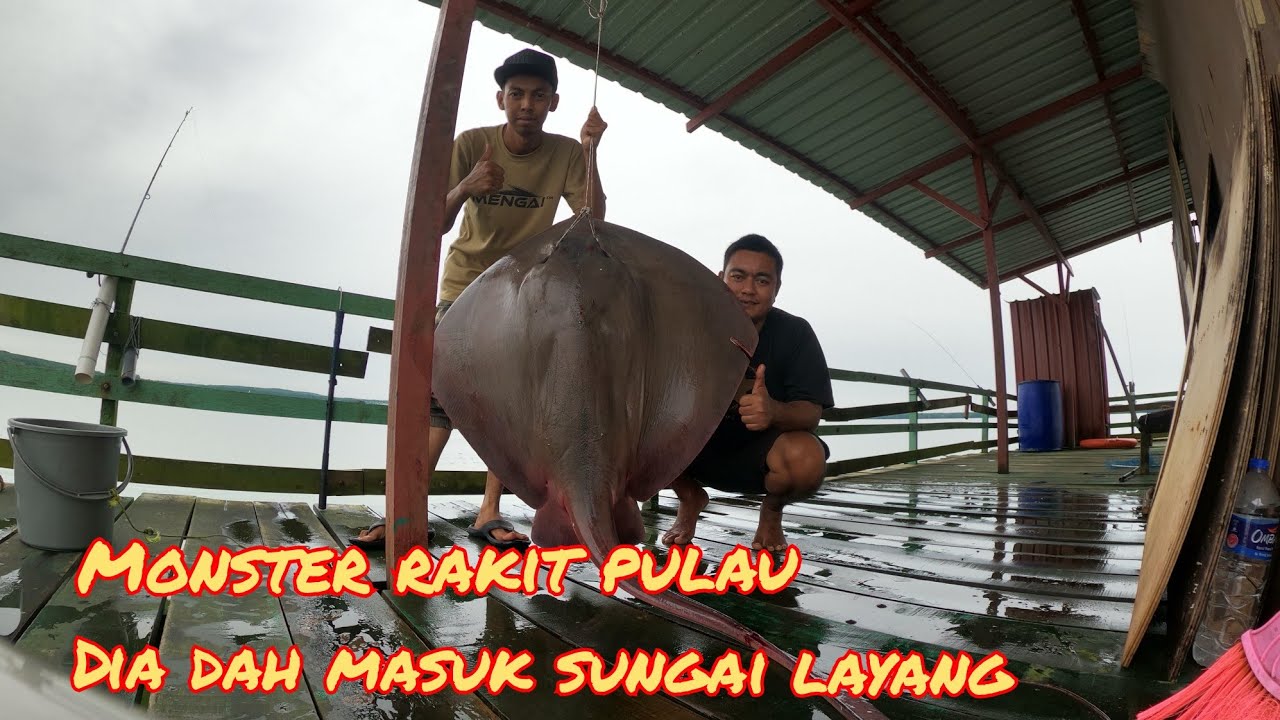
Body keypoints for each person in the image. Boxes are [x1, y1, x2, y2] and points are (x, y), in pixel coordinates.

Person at [354, 47, 607, 550]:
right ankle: (405, 511)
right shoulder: (472, 144)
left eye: (538, 96)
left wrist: (591, 152)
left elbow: (592, 220)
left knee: (510, 406)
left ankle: (489, 511)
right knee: (436, 403)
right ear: (500, 99)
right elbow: (434, 223)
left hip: (525, 292)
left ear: (553, 102)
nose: (527, 105)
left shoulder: (564, 153)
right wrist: (468, 185)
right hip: (463, 287)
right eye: (517, 95)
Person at [660, 234, 834, 552]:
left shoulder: (796, 334)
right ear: (720, 278)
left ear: (777, 288)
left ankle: (771, 512)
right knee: (627, 428)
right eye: (737, 276)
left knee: (807, 459)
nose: (747, 290)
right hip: (688, 457)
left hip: (759, 461)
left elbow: (811, 412)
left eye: (762, 280)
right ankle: (688, 499)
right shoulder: (684, 326)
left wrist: (773, 411)